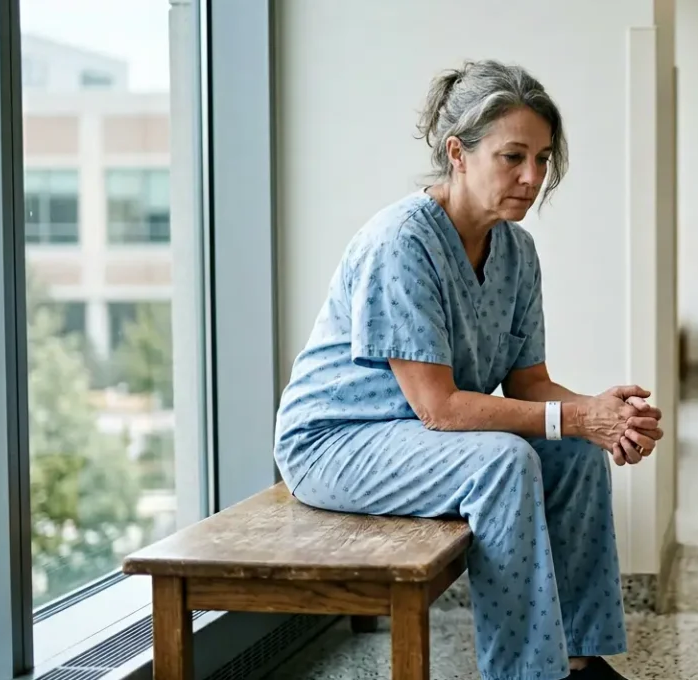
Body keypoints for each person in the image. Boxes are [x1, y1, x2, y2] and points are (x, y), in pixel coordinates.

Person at [272, 59, 663, 680]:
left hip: (423, 438)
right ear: (458, 153)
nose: (532, 177)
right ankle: (527, 675)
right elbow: (439, 407)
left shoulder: (517, 250)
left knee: (575, 455)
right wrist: (578, 417)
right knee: (505, 461)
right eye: (513, 157)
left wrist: (604, 417)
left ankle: (578, 661)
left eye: (542, 159)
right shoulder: (400, 242)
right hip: (338, 442)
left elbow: (530, 384)